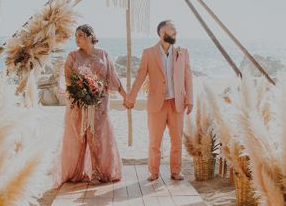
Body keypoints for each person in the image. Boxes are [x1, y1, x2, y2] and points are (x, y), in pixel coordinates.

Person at [56, 24, 126, 184]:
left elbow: (113, 78)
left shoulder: (103, 54)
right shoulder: (72, 56)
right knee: (79, 138)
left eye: (80, 35)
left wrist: (126, 97)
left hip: (99, 104)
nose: (77, 39)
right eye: (75, 36)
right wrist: (80, 93)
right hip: (78, 104)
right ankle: (75, 173)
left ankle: (97, 173)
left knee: (98, 138)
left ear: (90, 36)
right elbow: (68, 80)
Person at [125, 20, 194, 181]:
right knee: (154, 141)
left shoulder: (182, 52)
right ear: (162, 33)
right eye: (172, 31)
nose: (175, 34)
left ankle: (175, 171)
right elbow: (140, 77)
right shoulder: (149, 53)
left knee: (177, 140)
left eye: (176, 31)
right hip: (157, 104)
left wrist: (189, 100)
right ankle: (154, 171)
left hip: (177, 104)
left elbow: (188, 78)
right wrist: (131, 98)